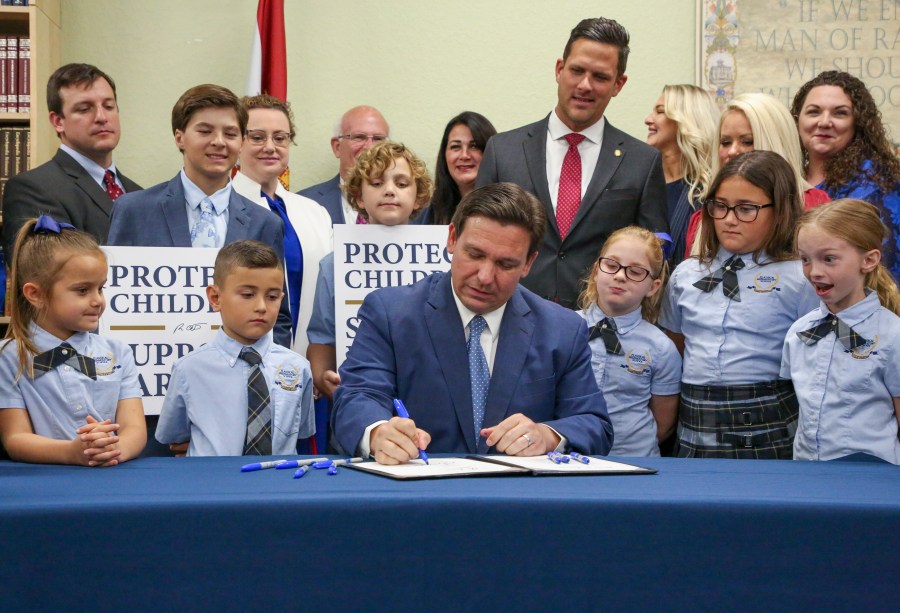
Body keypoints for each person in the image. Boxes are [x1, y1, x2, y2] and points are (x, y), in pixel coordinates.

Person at [333, 182, 613, 464]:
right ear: (452, 238)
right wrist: (379, 432)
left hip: (521, 499)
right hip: (419, 496)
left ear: (529, 263)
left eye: (505, 264)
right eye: (475, 255)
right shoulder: (391, 313)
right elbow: (356, 399)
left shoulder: (561, 329)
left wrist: (548, 435)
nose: (485, 276)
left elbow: (594, 423)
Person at [476, 17, 667, 309]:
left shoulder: (643, 162)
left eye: (600, 77)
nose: (585, 85)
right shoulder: (503, 150)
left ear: (619, 84)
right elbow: (478, 237)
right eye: (577, 70)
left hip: (599, 331)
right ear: (559, 70)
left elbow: (654, 255)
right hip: (510, 317)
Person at [105, 84, 291, 347]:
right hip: (153, 373)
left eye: (230, 133)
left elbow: (278, 316)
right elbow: (113, 305)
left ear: (241, 142)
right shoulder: (134, 211)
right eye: (205, 131)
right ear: (180, 137)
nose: (218, 141)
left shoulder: (266, 223)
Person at [659, 151, 818, 459]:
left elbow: (812, 361)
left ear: (780, 210)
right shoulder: (686, 274)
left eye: (747, 209)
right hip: (696, 422)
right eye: (720, 206)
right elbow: (674, 348)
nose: (730, 220)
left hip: (769, 421)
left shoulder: (799, 277)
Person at [0, 216, 146, 465]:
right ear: (35, 294)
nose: (97, 300)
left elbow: (135, 429)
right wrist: (71, 452)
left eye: (101, 288)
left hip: (112, 473)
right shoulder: (10, 356)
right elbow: (15, 438)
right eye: (82, 290)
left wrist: (111, 450)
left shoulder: (118, 352)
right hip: (47, 483)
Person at [155, 240, 314, 456]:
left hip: (279, 484)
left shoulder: (298, 368)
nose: (261, 307)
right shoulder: (189, 370)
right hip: (212, 485)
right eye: (248, 295)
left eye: (272, 296)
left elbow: (301, 433)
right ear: (215, 297)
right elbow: (174, 438)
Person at [306, 141, 432, 402]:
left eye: (401, 183)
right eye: (376, 183)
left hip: (429, 396)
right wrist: (322, 375)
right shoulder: (334, 264)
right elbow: (322, 338)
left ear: (418, 196)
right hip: (359, 395)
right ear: (359, 197)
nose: (389, 190)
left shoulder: (445, 261)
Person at [782, 199, 900, 464]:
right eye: (805, 260)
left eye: (829, 259)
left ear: (868, 260)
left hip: (872, 476)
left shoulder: (893, 335)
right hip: (808, 471)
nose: (814, 272)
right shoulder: (799, 332)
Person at [1, 63, 141, 261]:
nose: (101, 117)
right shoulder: (32, 189)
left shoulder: (139, 194)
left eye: (109, 106)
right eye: (84, 109)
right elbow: (45, 272)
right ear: (58, 121)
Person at [232, 94, 333, 356]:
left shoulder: (315, 212)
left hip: (312, 360)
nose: (270, 146)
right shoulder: (222, 209)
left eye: (280, 138)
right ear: (237, 143)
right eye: (257, 137)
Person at [577, 226, 681, 456]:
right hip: (571, 458)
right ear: (596, 270)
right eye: (612, 265)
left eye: (635, 272)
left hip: (635, 461)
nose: (620, 276)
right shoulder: (564, 328)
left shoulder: (661, 347)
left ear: (653, 287)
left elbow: (664, 424)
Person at [685, 92, 831, 256]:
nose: (732, 151)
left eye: (747, 141)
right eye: (725, 142)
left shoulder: (813, 206)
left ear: (775, 143)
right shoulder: (703, 219)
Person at [791, 71, 900, 280]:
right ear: (797, 120)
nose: (824, 122)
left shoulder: (877, 182)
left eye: (839, 113)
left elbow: (886, 268)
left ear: (857, 123)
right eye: (813, 112)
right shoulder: (788, 174)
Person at [643, 84, 719, 266]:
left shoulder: (710, 192)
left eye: (660, 112)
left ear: (685, 121)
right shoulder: (642, 182)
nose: (647, 120)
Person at [298, 105, 390, 225]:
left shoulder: (415, 208)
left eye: (378, 139)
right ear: (337, 147)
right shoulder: (304, 203)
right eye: (359, 137)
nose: (369, 147)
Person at [420, 111, 497, 225]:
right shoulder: (426, 213)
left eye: (474, 146)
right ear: (444, 155)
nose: (464, 155)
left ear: (491, 151)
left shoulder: (511, 210)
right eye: (456, 147)